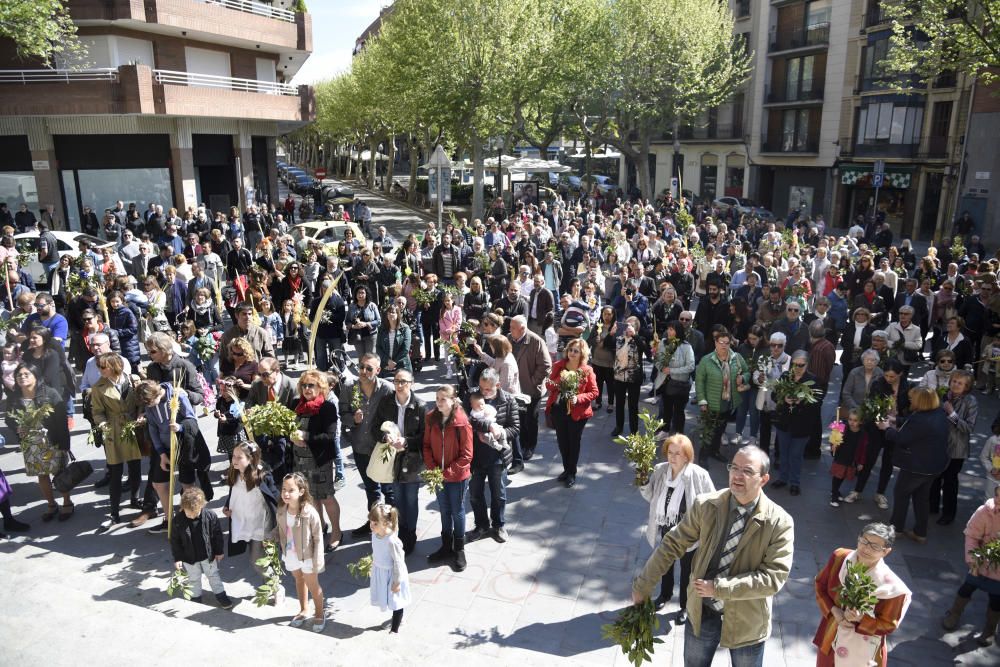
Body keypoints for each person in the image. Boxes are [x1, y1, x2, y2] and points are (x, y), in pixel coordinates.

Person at [631, 446, 794, 667]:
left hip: (747, 623)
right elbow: (672, 543)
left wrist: (718, 588)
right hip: (703, 612)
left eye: (747, 471)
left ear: (764, 479)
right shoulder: (706, 505)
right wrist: (643, 585)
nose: (737, 475)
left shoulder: (780, 523)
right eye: (733, 467)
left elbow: (773, 578)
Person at [639, 434, 716, 620]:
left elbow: (713, 502)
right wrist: (642, 481)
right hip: (666, 526)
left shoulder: (699, 475)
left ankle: (684, 606)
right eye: (670, 452)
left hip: (689, 532)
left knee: (687, 571)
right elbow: (651, 496)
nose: (672, 457)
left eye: (678, 453)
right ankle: (664, 595)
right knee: (665, 564)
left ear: (687, 456)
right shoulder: (660, 470)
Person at [813, 523, 911, 666]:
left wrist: (861, 619)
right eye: (864, 541)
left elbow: (888, 625)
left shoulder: (893, 588)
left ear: (886, 551)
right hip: (832, 637)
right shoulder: (840, 558)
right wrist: (835, 611)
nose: (866, 548)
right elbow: (820, 585)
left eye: (875, 546)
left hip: (864, 649)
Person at [879, 386, 950, 544]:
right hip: (934, 466)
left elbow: (902, 438)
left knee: (901, 493)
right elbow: (913, 426)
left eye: (913, 398)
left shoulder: (920, 419)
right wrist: (895, 420)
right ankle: (920, 532)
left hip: (917, 466)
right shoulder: (938, 413)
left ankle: (895, 528)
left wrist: (886, 428)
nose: (910, 400)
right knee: (921, 497)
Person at [5, 363, 72, 522]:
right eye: (19, 375)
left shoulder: (50, 394)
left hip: (52, 440)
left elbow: (62, 421)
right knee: (42, 476)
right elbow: (9, 418)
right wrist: (17, 428)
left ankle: (67, 502)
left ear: (36, 376)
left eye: (26, 374)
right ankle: (51, 504)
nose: (22, 377)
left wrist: (64, 445)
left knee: (59, 473)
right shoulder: (14, 397)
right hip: (31, 443)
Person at [370, 369, 425, 555]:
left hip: (412, 460)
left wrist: (407, 442)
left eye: (403, 381)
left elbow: (425, 437)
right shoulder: (386, 402)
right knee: (397, 498)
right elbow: (374, 428)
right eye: (396, 381)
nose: (399, 385)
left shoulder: (420, 405)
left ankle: (410, 534)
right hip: (392, 459)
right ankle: (400, 533)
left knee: (410, 499)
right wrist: (385, 437)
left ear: (411, 383)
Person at [340, 353, 394, 535]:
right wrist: (353, 420)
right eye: (361, 366)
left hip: (381, 448)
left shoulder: (387, 389)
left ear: (378, 370)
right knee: (371, 489)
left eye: (369, 368)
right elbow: (343, 413)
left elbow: (396, 415)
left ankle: (392, 526)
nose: (363, 371)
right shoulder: (349, 386)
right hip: (360, 447)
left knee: (388, 489)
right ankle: (373, 523)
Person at [422, 384, 473, 571]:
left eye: (443, 399)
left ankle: (459, 548)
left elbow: (467, 455)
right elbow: (426, 446)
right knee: (444, 509)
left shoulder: (462, 422)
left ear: (453, 400)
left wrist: (446, 473)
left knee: (457, 510)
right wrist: (433, 469)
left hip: (457, 477)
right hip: (438, 476)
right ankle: (446, 545)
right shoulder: (431, 419)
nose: (439, 402)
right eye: (437, 399)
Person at [90, 352, 143, 530]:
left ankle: (135, 499)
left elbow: (140, 401)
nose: (100, 370)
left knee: (136, 467)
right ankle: (114, 512)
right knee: (115, 472)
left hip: (133, 427)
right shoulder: (99, 387)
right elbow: (97, 411)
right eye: (99, 367)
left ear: (114, 366)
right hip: (114, 429)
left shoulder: (132, 379)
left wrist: (141, 414)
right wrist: (103, 424)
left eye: (103, 367)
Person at [941, 485, 1000, 646]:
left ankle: (990, 628)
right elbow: (972, 536)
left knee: (996, 598)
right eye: (998, 497)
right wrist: (973, 561)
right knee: (967, 587)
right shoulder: (985, 512)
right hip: (981, 562)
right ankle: (954, 612)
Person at [465, 369, 518, 544]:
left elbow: (515, 428)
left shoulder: (508, 400)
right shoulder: (472, 396)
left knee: (498, 494)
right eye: (481, 388)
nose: (484, 393)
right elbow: (465, 420)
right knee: (474, 494)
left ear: (498, 385)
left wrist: (500, 432)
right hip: (475, 456)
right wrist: (487, 426)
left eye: (488, 389)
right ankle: (481, 525)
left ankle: (498, 525)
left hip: (497, 456)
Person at [291, 370, 341, 552]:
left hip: (319, 462)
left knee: (326, 497)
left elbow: (329, 436)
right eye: (303, 385)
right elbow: (288, 426)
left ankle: (337, 532)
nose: (306, 389)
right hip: (300, 462)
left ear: (321, 387)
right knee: (311, 500)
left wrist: (306, 436)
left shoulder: (326, 407)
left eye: (311, 385)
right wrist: (291, 436)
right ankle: (320, 527)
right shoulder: (296, 405)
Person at [222, 441, 279, 600]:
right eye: (233, 456)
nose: (234, 460)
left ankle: (275, 586)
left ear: (250, 459)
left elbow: (275, 497)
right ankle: (269, 585)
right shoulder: (235, 473)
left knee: (256, 559)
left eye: (239, 457)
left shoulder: (262, 477)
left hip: (261, 523)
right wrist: (227, 506)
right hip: (243, 521)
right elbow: (234, 494)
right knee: (259, 558)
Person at [544, 338, 598, 488]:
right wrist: (560, 380)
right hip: (559, 409)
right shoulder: (559, 366)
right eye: (570, 350)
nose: (572, 353)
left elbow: (594, 392)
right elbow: (549, 384)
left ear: (582, 353)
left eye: (576, 351)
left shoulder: (587, 370)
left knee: (573, 442)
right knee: (562, 442)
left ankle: (571, 472)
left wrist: (578, 398)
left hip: (577, 413)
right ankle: (566, 469)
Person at [276, 472, 326, 633]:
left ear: (301, 491)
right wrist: (269, 536)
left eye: (291, 490)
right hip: (290, 554)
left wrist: (318, 561)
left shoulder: (309, 513)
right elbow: (281, 530)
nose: (286, 493)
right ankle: (304, 609)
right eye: (284, 489)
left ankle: (319, 613)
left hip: (308, 556)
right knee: (298, 580)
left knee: (313, 585)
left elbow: (318, 537)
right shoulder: (282, 510)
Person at [928, 370, 978, 526]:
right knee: (935, 477)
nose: (956, 385)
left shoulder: (970, 401)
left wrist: (952, 414)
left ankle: (949, 513)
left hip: (956, 449)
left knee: (950, 481)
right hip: (938, 445)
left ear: (967, 386)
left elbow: (969, 428)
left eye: (960, 383)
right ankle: (932, 506)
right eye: (954, 381)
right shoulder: (943, 394)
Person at [170, 487, 233, 609]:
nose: (192, 516)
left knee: (213, 575)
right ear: (183, 508)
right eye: (189, 513)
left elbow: (217, 535)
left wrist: (219, 551)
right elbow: (175, 541)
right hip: (189, 557)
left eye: (196, 513)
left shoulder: (210, 516)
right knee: (193, 578)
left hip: (208, 556)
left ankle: (221, 595)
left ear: (202, 506)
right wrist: (178, 558)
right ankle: (195, 597)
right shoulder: (177, 521)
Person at [694, 328, 750, 465]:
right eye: (721, 342)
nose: (724, 345)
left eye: (727, 342)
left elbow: (748, 371)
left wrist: (743, 378)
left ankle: (714, 451)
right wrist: (702, 400)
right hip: (711, 402)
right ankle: (703, 456)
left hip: (728, 402)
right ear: (715, 343)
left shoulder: (737, 358)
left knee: (720, 429)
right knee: (708, 431)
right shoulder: (706, 360)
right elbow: (699, 381)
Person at [769, 350, 820, 496]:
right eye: (795, 364)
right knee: (783, 453)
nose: (797, 367)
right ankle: (783, 478)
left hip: (802, 426)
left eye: (801, 365)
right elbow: (774, 395)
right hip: (784, 423)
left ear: (807, 364)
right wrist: (784, 398)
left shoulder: (813, 380)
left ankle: (795, 482)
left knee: (796, 455)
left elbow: (816, 404)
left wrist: (801, 401)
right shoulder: (786, 376)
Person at [509, 315, 552, 461]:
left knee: (531, 419)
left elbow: (546, 365)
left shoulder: (536, 341)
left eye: (513, 327)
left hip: (532, 390)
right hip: (515, 388)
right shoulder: (509, 338)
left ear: (522, 329)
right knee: (518, 417)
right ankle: (522, 443)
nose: (510, 330)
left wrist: (533, 381)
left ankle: (530, 446)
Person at [367, 503, 412, 633]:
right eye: (371, 522)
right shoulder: (375, 535)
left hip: (392, 575)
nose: (371, 526)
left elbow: (398, 562)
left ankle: (395, 629)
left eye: (375, 523)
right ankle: (395, 619)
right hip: (381, 572)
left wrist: (397, 582)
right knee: (389, 599)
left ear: (385, 523)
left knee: (396, 601)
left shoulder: (391, 541)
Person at [654, 320, 696, 435]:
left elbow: (691, 366)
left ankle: (678, 433)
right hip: (665, 382)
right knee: (666, 408)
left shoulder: (686, 347)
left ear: (678, 331)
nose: (668, 331)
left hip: (679, 383)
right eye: (668, 329)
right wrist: (661, 367)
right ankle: (665, 430)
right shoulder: (663, 342)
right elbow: (657, 359)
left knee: (678, 410)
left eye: (671, 329)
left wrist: (671, 371)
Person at [609, 316, 648, 437]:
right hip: (619, 376)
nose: (628, 327)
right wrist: (611, 334)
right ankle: (619, 427)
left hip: (634, 378)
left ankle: (634, 430)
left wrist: (634, 335)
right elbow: (607, 346)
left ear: (636, 327)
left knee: (633, 405)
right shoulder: (619, 338)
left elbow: (645, 350)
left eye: (631, 325)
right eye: (626, 324)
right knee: (619, 403)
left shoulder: (640, 338)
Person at [830, 409, 868, 508]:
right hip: (841, 456)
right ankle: (834, 495)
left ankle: (836, 491)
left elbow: (863, 449)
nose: (852, 422)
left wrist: (861, 462)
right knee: (837, 475)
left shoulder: (863, 434)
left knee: (842, 476)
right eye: (850, 419)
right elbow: (835, 438)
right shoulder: (843, 428)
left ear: (860, 421)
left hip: (851, 458)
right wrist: (833, 445)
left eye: (855, 420)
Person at [376, 303, 412, 377]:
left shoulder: (405, 328)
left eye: (393, 312)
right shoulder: (381, 329)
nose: (390, 314)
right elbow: (378, 348)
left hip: (402, 365)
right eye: (388, 312)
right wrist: (388, 361)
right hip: (385, 365)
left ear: (398, 314)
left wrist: (393, 362)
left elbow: (405, 349)